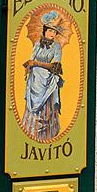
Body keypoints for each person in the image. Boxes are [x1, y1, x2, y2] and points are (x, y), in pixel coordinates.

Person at [21, 11, 64, 142]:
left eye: (55, 32)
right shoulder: (37, 44)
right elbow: (32, 59)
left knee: (47, 109)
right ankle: (32, 132)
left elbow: (56, 67)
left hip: (48, 81)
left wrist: (36, 64)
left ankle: (47, 134)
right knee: (32, 112)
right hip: (35, 81)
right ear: (44, 30)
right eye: (50, 30)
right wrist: (29, 66)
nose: (52, 34)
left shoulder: (57, 47)